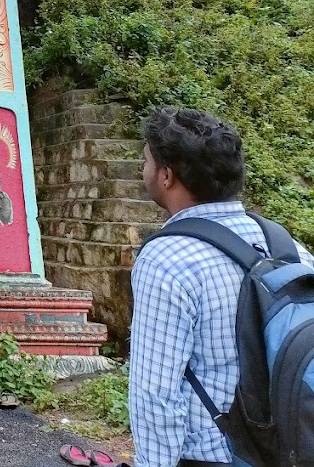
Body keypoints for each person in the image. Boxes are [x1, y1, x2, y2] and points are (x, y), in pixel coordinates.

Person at [129, 106, 314, 467]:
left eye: (147, 161)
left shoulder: (166, 258)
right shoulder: (288, 246)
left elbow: (155, 396)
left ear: (166, 176)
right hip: (290, 447)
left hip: (216, 455)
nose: (143, 170)